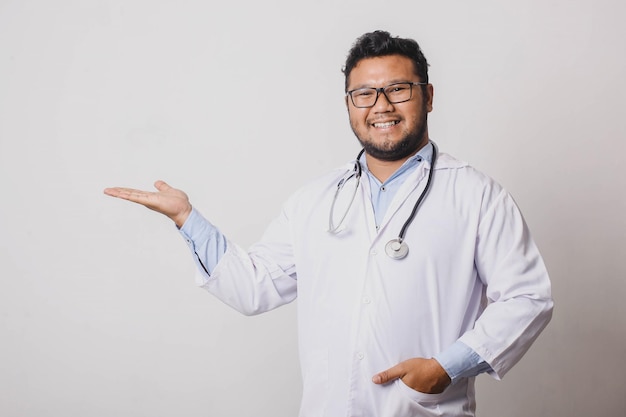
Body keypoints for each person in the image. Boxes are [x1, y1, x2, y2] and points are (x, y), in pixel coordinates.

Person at [104, 30, 553, 417]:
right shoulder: (315, 201)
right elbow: (253, 288)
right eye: (364, 94)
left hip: (422, 410)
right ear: (349, 104)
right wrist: (187, 218)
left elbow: (527, 297)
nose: (381, 106)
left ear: (428, 96)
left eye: (399, 89)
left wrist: (446, 367)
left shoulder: (477, 195)